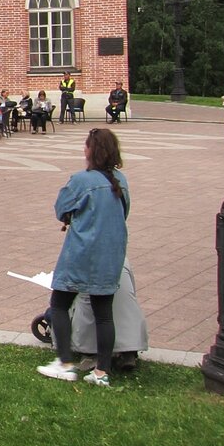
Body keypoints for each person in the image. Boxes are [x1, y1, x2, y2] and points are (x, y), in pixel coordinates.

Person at [37, 127, 130, 388]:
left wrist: (73, 218)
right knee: (103, 312)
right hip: (111, 251)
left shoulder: (81, 180)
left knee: (59, 303)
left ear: (92, 151)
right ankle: (102, 371)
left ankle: (65, 363)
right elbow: (124, 212)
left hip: (82, 251)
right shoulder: (121, 180)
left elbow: (61, 208)